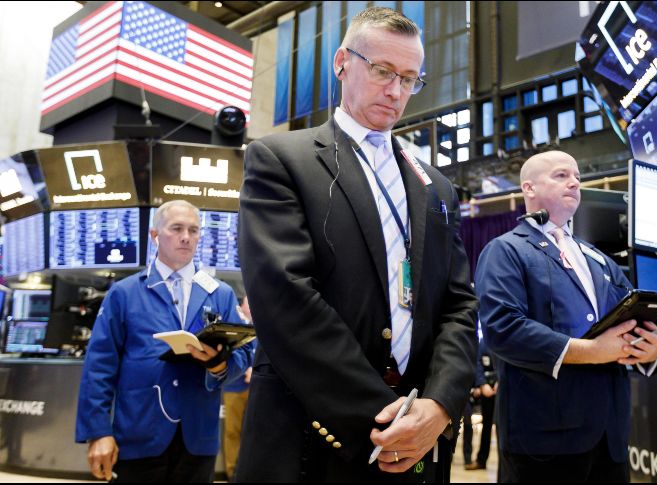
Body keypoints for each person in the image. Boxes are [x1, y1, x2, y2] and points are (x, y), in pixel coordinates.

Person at [235, 6, 478, 482]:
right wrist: (386, 417)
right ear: (342, 62)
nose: (396, 91)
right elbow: (284, 298)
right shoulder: (282, 159)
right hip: (311, 435)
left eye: (410, 79)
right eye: (383, 71)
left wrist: (441, 406)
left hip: (418, 439)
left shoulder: (435, 185)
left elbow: (459, 305)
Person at [475, 151, 657, 482]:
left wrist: (651, 348)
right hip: (544, 441)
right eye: (562, 175)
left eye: (577, 176)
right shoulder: (505, 250)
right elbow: (502, 329)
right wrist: (589, 351)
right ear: (529, 189)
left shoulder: (600, 260)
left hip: (610, 439)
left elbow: (633, 315)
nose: (575, 182)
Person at [75, 200, 255, 483]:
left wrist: (218, 364)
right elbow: (99, 366)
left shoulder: (221, 294)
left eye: (194, 230)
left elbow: (244, 355)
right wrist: (98, 432)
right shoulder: (125, 293)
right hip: (139, 433)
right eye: (177, 228)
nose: (186, 236)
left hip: (198, 438)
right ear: (155, 235)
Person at [222, 296, 254, 481]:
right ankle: (232, 473)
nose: (251, 307)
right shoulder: (235, 326)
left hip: (257, 390)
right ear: (241, 306)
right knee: (232, 432)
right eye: (248, 303)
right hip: (235, 387)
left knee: (254, 433)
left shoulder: (263, 325)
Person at [465, 335, 496, 471]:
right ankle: (481, 460)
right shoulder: (484, 341)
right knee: (487, 426)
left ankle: (507, 466)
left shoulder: (506, 336)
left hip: (505, 386)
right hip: (487, 389)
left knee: (504, 427)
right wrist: (482, 384)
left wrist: (501, 381)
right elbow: (477, 363)